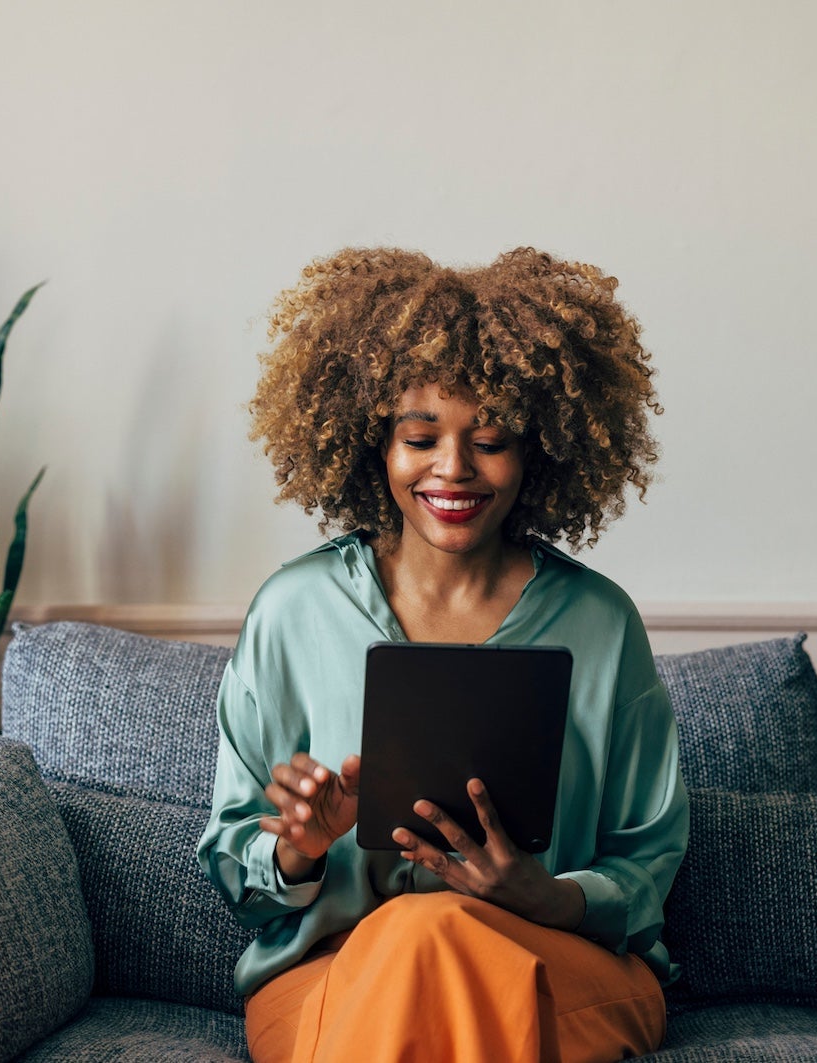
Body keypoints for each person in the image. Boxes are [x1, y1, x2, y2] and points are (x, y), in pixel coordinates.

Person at [196, 247, 688, 1063]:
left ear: (538, 452)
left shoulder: (600, 623)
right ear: (372, 444)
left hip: (553, 961)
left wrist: (547, 895)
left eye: (490, 440)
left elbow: (646, 862)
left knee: (436, 940)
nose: (453, 468)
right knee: (418, 943)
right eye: (420, 436)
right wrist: (298, 846)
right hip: (332, 974)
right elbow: (234, 861)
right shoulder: (294, 610)